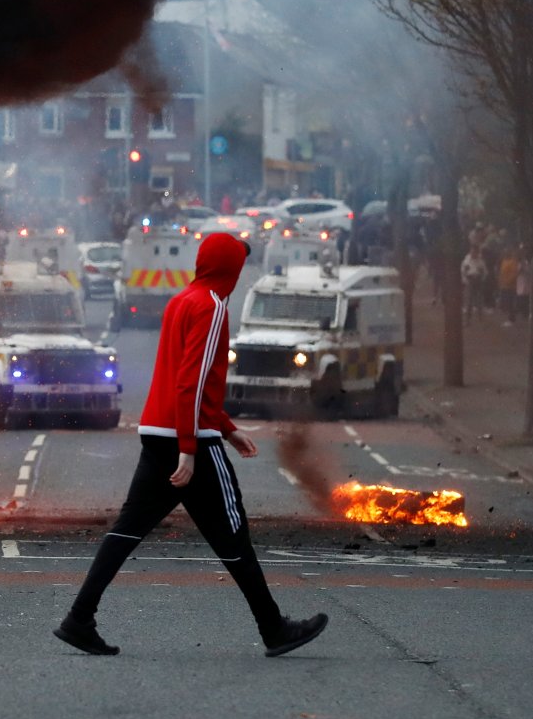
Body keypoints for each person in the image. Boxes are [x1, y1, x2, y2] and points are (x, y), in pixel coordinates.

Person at [54, 232, 328, 658]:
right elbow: (193, 382)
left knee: (126, 531)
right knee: (233, 534)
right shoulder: (213, 306)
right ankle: (274, 629)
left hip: (159, 431)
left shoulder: (181, 300)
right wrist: (190, 447)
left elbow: (184, 379)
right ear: (231, 269)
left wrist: (228, 428)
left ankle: (78, 618)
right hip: (191, 440)